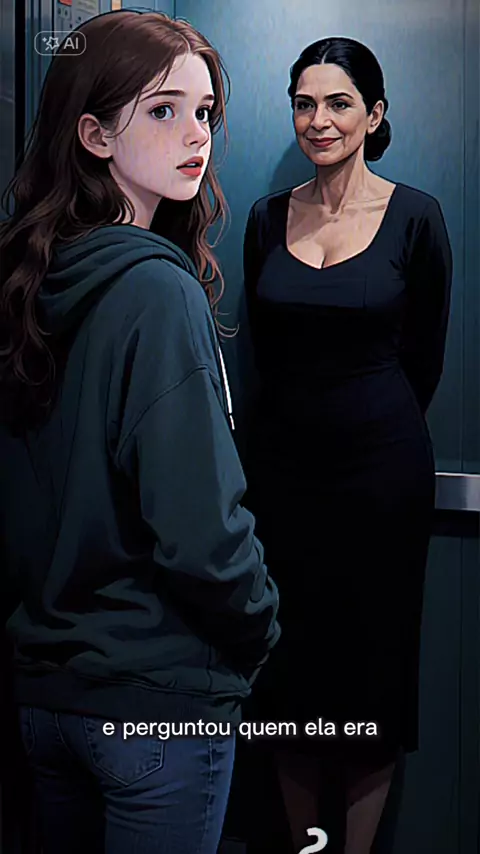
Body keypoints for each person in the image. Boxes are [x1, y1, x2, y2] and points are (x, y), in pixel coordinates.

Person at [0, 11, 280, 854]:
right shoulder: (157, 293)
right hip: (154, 699)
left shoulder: (31, 279)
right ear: (93, 134)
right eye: (164, 110)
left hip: (47, 700)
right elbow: (202, 533)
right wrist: (260, 627)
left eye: (205, 112)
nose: (196, 136)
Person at [240, 36, 452, 854]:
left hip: (381, 484)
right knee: (286, 675)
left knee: (372, 677)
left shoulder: (416, 216)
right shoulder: (266, 218)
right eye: (304, 103)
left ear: (375, 113)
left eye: (338, 102)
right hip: (281, 484)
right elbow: (263, 356)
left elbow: (424, 359)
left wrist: (368, 427)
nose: (318, 120)